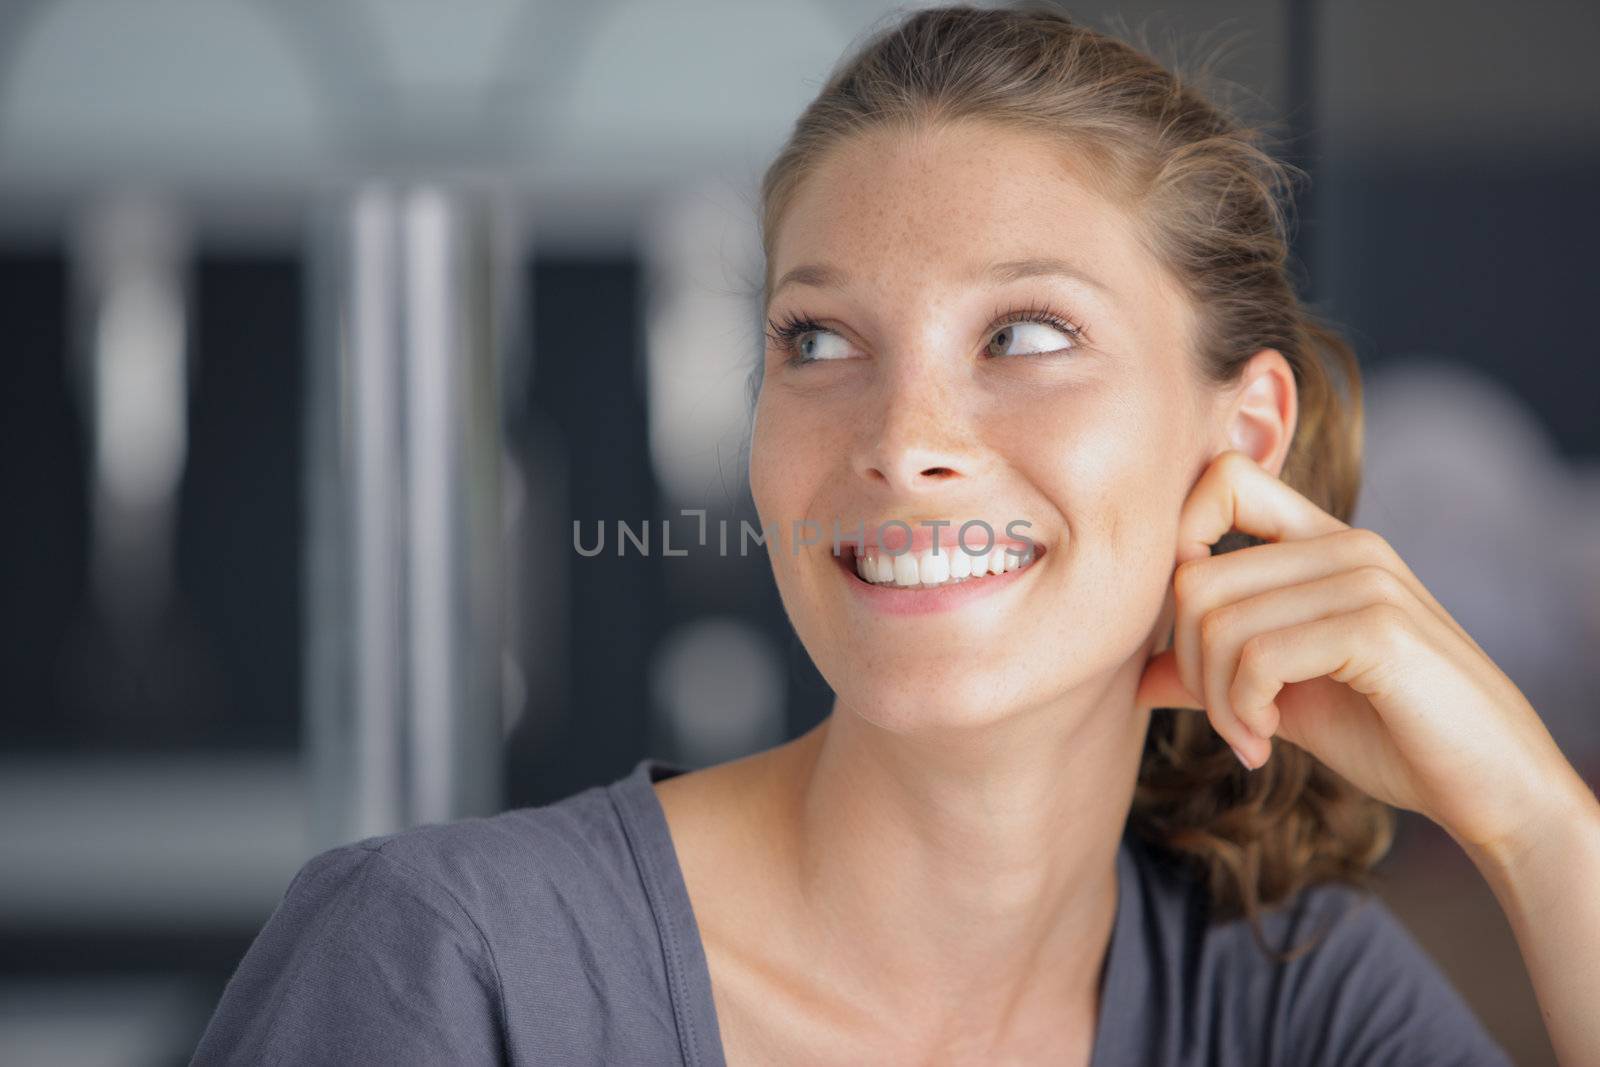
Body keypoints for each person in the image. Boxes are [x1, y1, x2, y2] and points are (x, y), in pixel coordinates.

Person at [191, 5, 1600, 1065]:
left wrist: (1535, 826)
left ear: (1240, 440)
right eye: (818, 340)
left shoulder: (1294, 1006)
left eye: (1029, 333)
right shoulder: (448, 974)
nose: (899, 437)